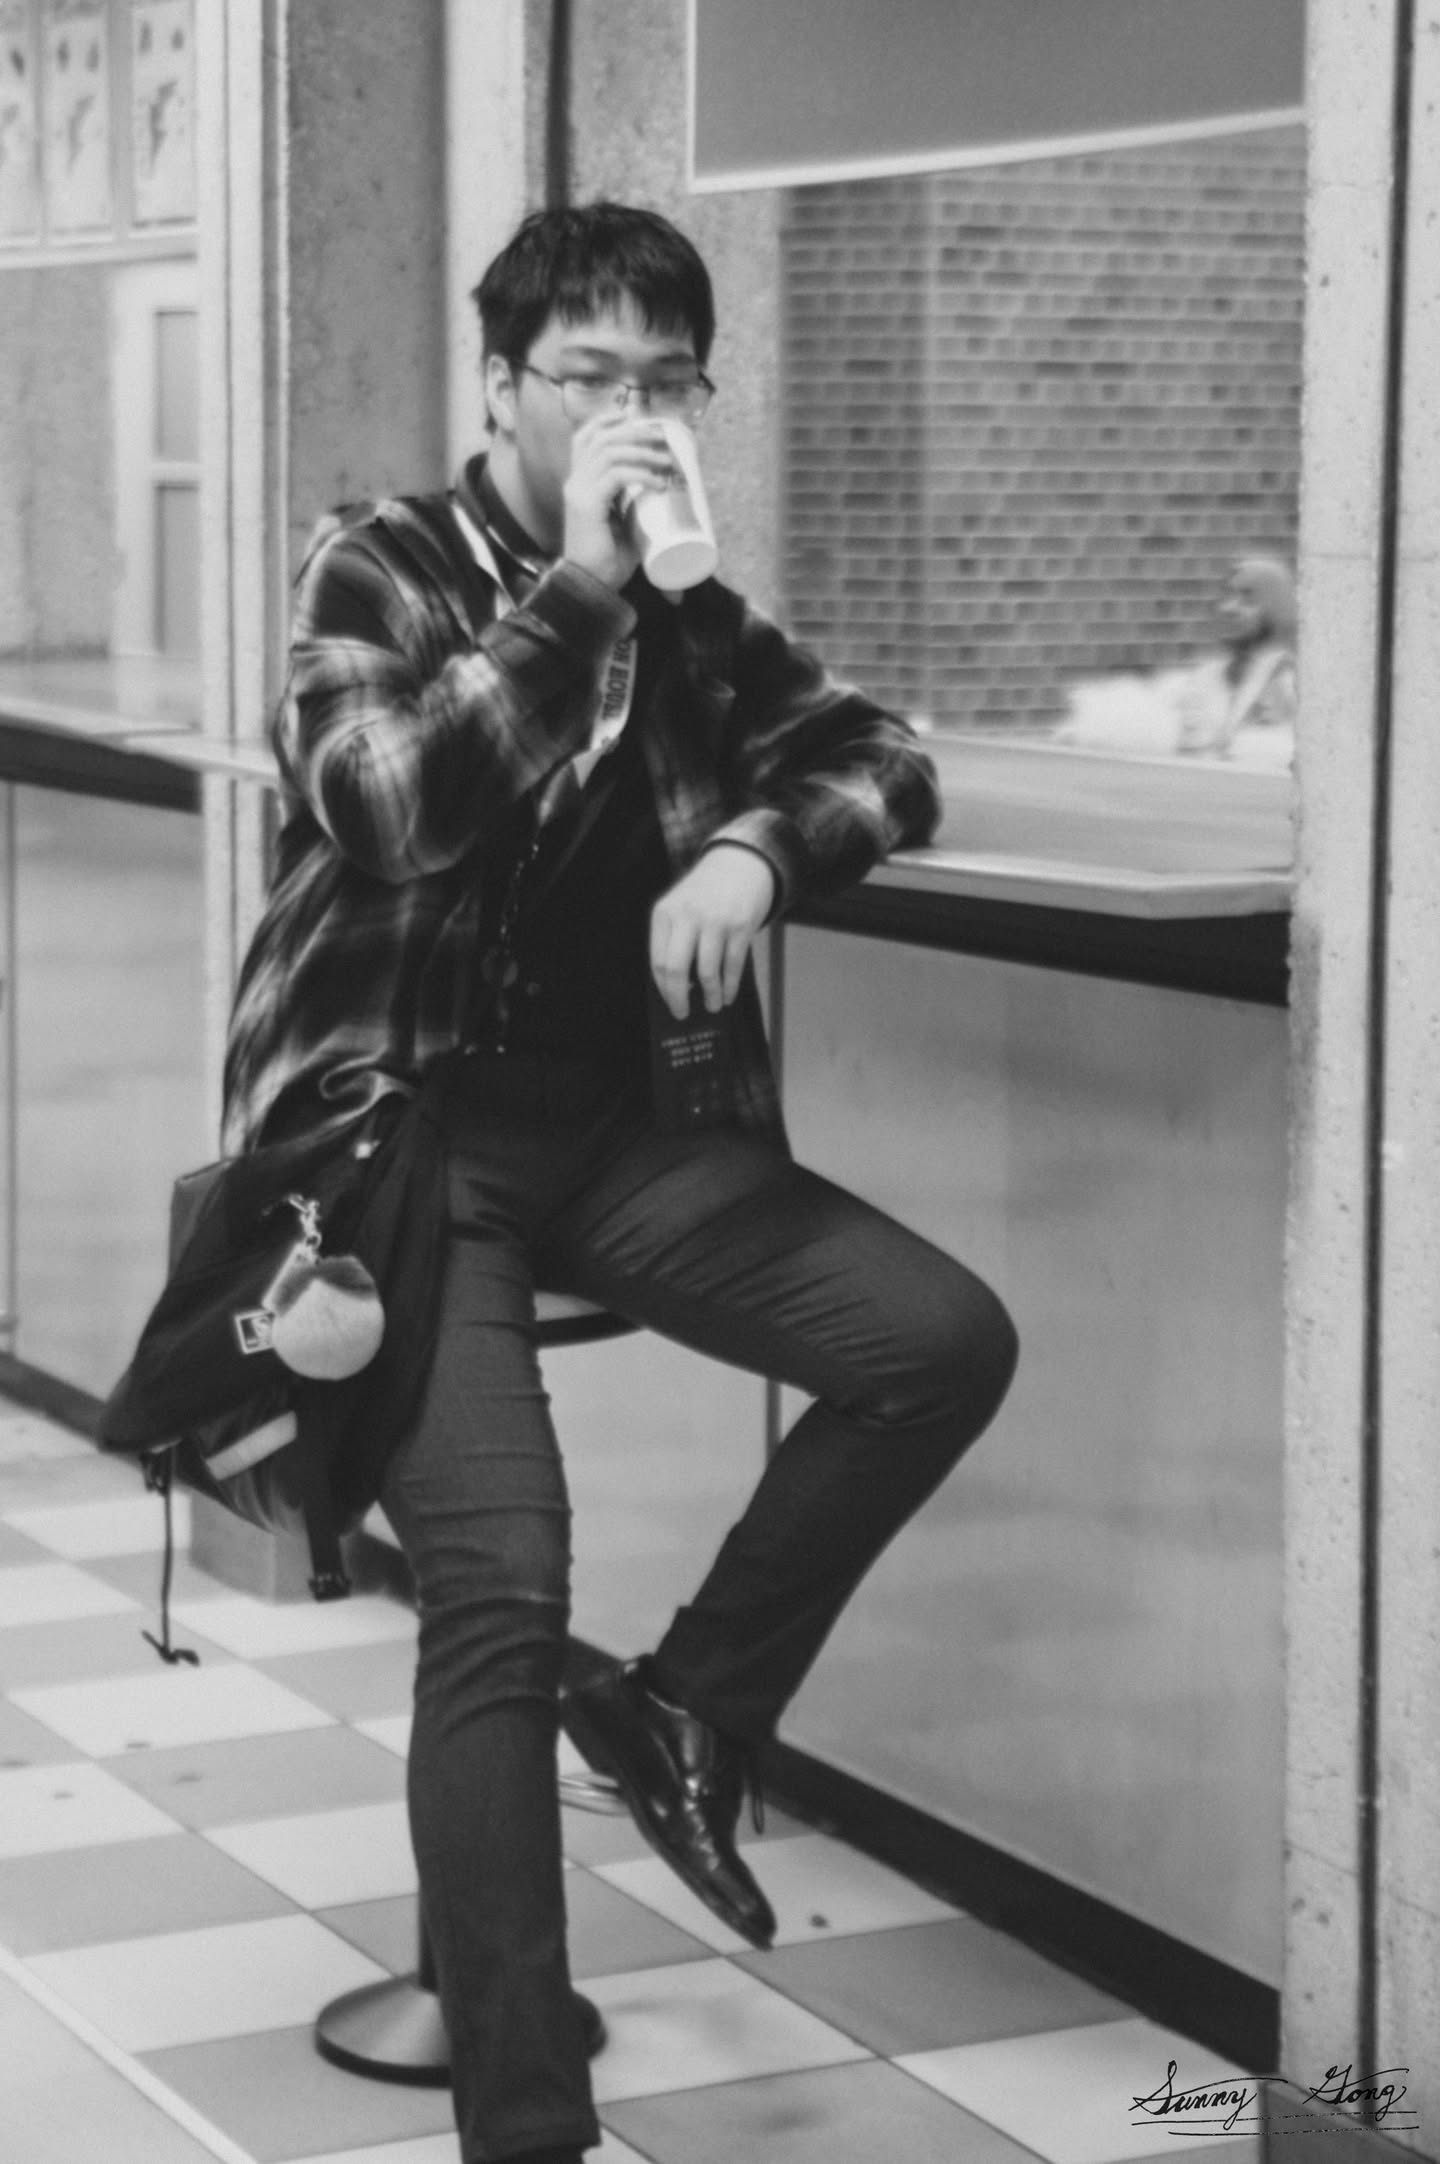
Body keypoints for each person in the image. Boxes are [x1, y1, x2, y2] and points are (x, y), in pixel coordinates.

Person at [221, 202, 1018, 2164]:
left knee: (935, 1339)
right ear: (504, 386)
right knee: (500, 1586)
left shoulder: (691, 605)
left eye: (669, 379)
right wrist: (577, 586)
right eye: (592, 376)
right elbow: (388, 804)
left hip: (620, 1138)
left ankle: (682, 1708)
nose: (633, 411)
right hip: (399, 1149)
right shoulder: (380, 560)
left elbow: (884, 753)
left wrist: (758, 844)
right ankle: (528, 2120)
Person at [1055, 554, 1298, 765]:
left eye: (1248, 600)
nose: (1229, 608)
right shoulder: (1204, 676)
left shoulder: (1292, 681)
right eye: (1228, 596)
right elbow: (1149, 718)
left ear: (1276, 608)